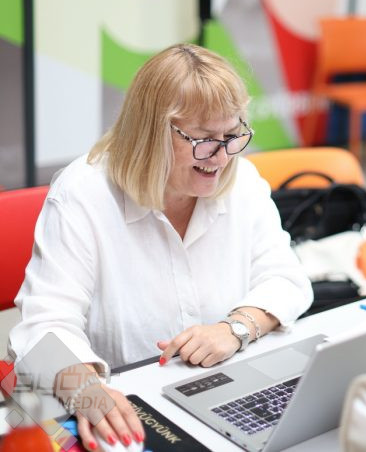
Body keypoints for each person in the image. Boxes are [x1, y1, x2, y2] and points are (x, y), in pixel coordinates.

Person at [8, 44, 313, 450]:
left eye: (231, 135)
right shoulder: (83, 194)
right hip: (114, 402)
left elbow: (288, 279)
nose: (221, 157)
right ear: (151, 133)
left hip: (206, 393)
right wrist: (86, 390)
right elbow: (41, 325)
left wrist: (236, 328)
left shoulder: (243, 182)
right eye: (203, 140)